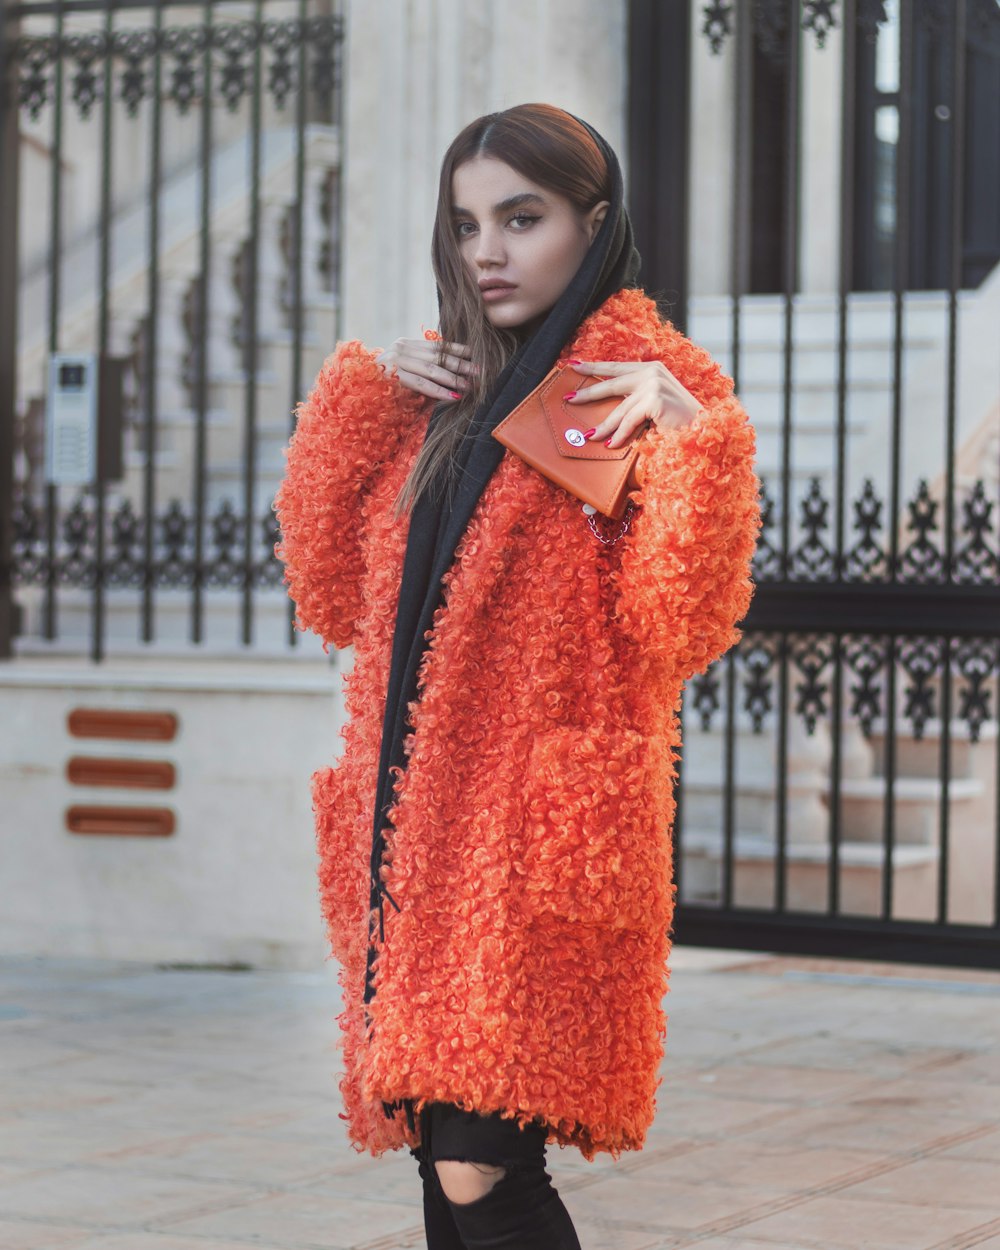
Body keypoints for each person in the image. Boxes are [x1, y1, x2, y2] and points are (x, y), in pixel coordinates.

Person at [273, 103, 760, 1250]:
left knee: (480, 1171)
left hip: (529, 849)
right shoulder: (446, 393)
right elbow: (327, 589)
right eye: (465, 223)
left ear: (594, 225)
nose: (486, 250)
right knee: (443, 1170)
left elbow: (676, 622)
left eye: (522, 217)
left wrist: (696, 442)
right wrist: (361, 398)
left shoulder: (626, 382)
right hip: (417, 841)